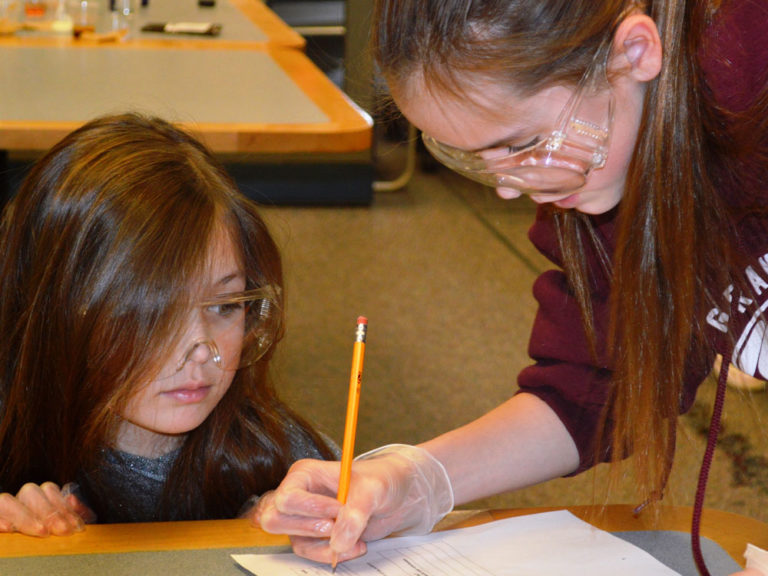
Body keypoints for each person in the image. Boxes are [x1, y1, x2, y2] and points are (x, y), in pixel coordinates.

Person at [254, 0, 768, 574]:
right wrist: (413, 480)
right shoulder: (600, 172)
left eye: (522, 145)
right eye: (474, 158)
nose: (508, 188)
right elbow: (590, 387)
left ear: (635, 53)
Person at [0, 113, 336, 536]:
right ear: (56, 311)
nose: (199, 347)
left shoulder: (284, 460)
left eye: (226, 305)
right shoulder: (14, 441)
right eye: (152, 312)